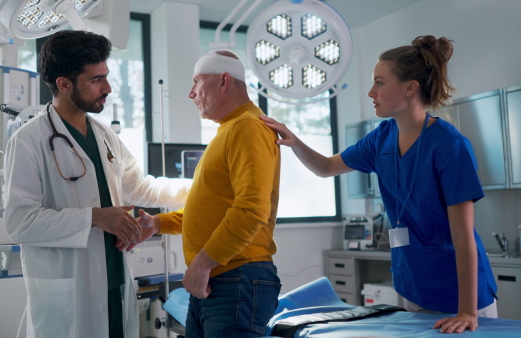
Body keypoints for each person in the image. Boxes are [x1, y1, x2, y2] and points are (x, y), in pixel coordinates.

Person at [261, 35, 497, 334]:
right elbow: (325, 167)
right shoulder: (381, 138)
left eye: (380, 82)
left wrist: (467, 312)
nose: (372, 92)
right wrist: (295, 142)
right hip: (414, 286)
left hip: (461, 295)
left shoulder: (450, 146)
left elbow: (463, 238)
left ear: (410, 87)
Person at [3, 30, 191, 338]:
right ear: (63, 84)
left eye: (106, 76)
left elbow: (139, 187)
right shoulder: (29, 141)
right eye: (95, 80)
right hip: (69, 291)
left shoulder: (104, 135)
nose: (108, 88)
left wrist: (199, 188)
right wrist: (96, 217)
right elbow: (19, 223)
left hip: (114, 283)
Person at [121, 50, 282, 337]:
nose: (190, 93)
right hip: (219, 277)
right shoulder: (229, 129)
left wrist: (201, 264)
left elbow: (251, 209)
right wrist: (159, 224)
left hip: (236, 277)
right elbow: (213, 210)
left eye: (197, 82)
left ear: (223, 81)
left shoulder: (247, 127)